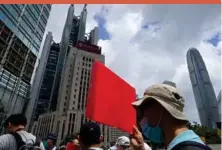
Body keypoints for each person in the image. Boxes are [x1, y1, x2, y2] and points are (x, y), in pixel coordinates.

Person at [130, 83, 212, 150]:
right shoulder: (189, 145)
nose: (143, 116)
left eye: (143, 109)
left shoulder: (187, 148)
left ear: (159, 107)